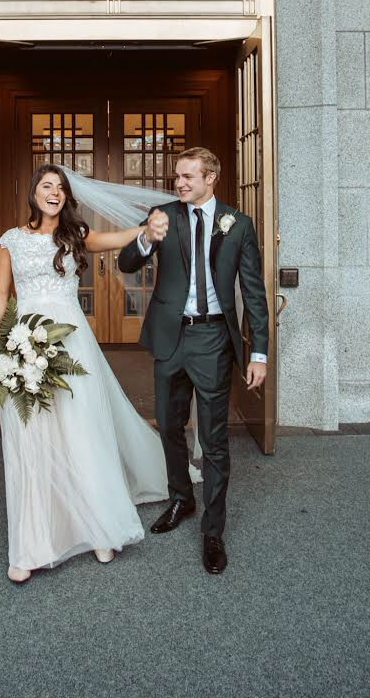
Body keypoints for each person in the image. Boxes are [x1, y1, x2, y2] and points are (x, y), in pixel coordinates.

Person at [0, 164, 200, 583]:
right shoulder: (11, 240)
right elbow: (0, 292)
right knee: (33, 439)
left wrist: (147, 228)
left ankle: (100, 525)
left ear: (67, 197)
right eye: (46, 186)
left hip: (72, 342)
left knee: (82, 431)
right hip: (25, 343)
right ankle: (32, 545)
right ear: (34, 194)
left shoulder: (73, 237)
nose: (54, 192)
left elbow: (118, 239)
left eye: (61, 188)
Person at [117, 147, 269, 575]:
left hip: (212, 337)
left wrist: (259, 352)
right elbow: (126, 261)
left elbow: (254, 293)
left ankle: (213, 529)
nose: (179, 183)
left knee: (215, 437)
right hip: (170, 336)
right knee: (167, 423)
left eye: (187, 176)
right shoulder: (163, 214)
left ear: (210, 177)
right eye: (177, 177)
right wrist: (146, 237)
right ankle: (181, 497)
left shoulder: (237, 225)